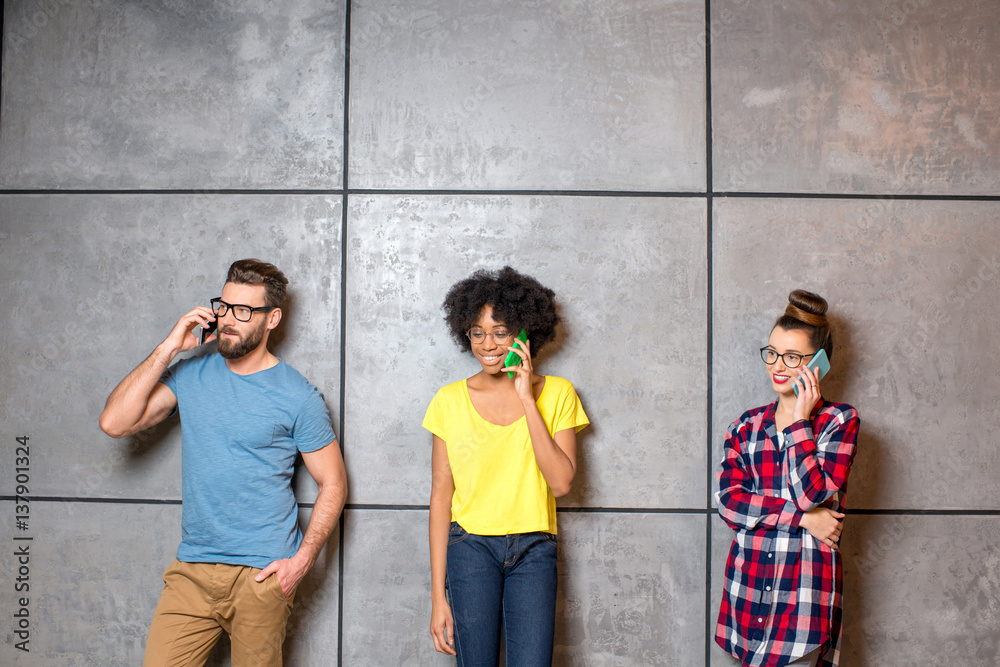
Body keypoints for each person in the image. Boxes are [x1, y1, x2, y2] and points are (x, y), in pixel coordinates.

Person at [99, 258, 347, 666]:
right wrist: (169, 347)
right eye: (224, 307)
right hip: (192, 569)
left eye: (244, 311)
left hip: (262, 574)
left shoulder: (298, 396)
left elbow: (334, 484)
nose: (228, 320)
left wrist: (300, 564)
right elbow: (114, 422)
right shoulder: (190, 372)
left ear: (273, 319)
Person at [423, 266, 589, 665]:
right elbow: (440, 498)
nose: (487, 344)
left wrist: (527, 398)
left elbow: (562, 483)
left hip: (534, 549)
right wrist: (437, 597)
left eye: (500, 332)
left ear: (525, 334)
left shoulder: (559, 394)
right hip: (470, 549)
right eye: (477, 332)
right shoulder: (448, 401)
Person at [715, 289, 860, 667]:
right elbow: (730, 504)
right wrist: (802, 520)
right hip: (746, 596)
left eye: (793, 356)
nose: (778, 365)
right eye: (773, 352)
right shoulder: (744, 427)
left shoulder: (838, 422)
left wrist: (799, 420)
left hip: (803, 602)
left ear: (820, 363)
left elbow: (812, 493)